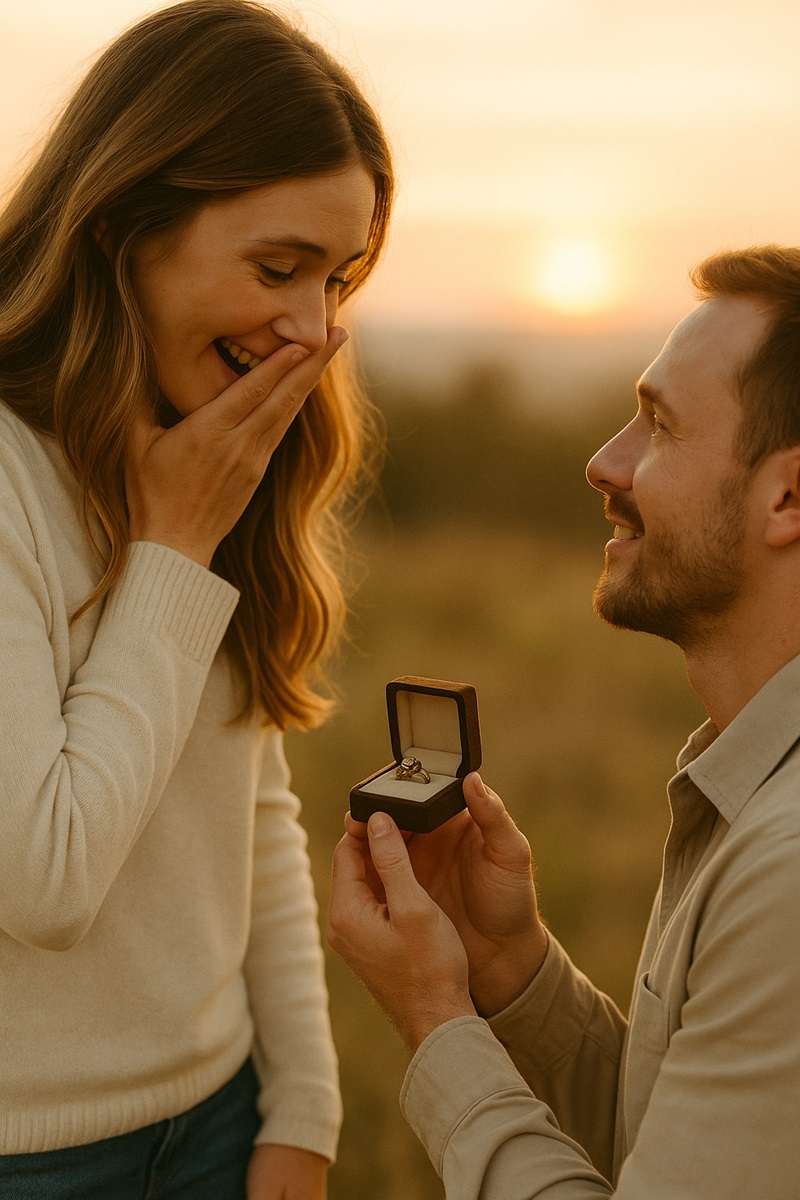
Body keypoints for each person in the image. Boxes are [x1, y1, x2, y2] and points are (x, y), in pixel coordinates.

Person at [0, 1, 392, 1197]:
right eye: (278, 268)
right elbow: (45, 879)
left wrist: (303, 1110)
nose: (311, 329)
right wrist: (172, 547)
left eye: (336, 278)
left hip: (222, 1120)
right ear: (123, 226)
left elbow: (242, 801)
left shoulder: (206, 448)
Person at [328, 244, 800, 1198]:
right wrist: (509, 970)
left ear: (788, 497)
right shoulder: (751, 781)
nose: (603, 461)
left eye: (659, 427)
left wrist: (435, 1019)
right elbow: (680, 1147)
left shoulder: (787, 873)